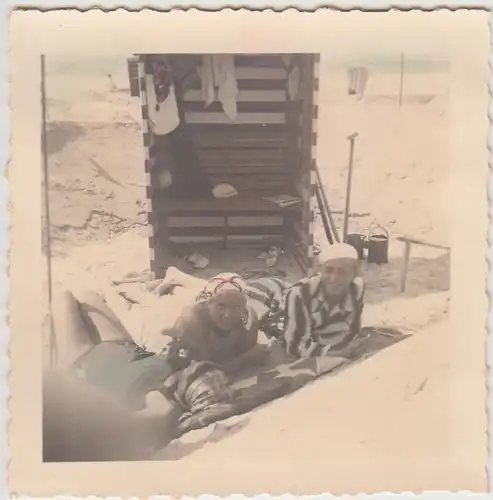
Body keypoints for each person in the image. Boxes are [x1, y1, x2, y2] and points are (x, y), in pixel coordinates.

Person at [46, 288, 231, 460]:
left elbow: (160, 413)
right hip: (124, 347)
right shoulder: (177, 365)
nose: (193, 366)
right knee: (86, 295)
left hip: (85, 362)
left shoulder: (163, 394)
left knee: (62, 298)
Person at [246, 243, 366, 359]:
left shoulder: (356, 288)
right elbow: (294, 345)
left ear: (354, 273)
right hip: (271, 294)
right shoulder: (300, 294)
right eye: (329, 270)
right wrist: (338, 352)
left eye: (343, 271)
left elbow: (353, 330)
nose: (334, 278)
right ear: (320, 270)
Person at [162, 273, 263, 375]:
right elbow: (204, 368)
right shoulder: (191, 321)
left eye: (236, 307)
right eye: (221, 307)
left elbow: (242, 353)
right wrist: (247, 358)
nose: (228, 315)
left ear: (243, 308)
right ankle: (176, 278)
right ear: (208, 303)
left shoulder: (249, 319)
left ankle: (177, 278)